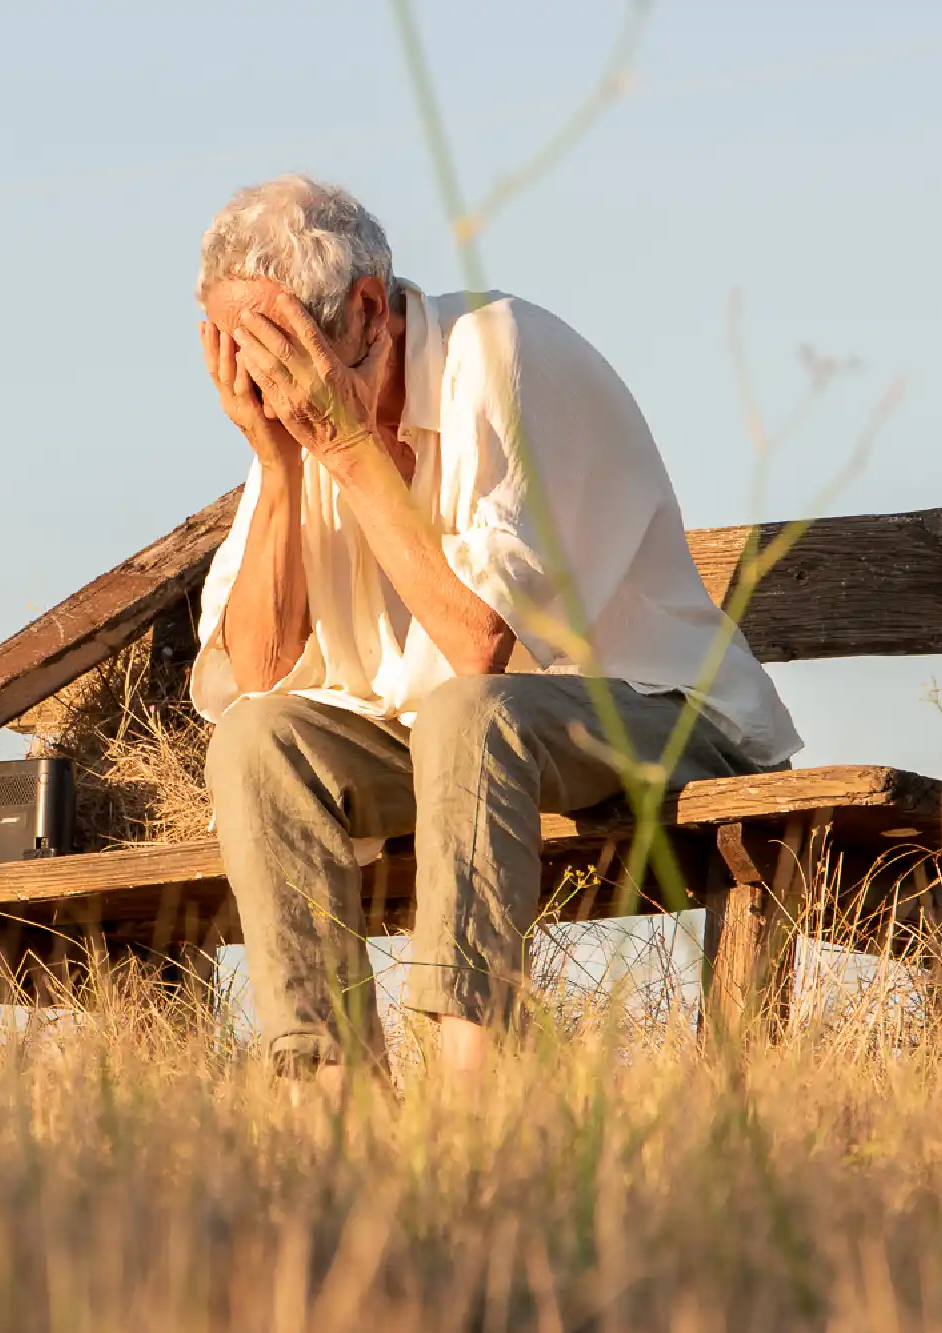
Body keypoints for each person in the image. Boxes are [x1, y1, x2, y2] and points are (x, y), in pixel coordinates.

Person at [191, 175, 802, 1085]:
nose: (267, 383)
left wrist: (348, 452)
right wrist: (278, 464)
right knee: (256, 741)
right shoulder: (302, 423)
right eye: (238, 354)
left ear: (367, 308)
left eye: (279, 351)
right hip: (446, 744)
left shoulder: (500, 354)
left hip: (658, 716)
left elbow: (481, 644)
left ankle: (471, 1104)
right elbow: (255, 671)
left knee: (469, 713)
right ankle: (332, 1102)